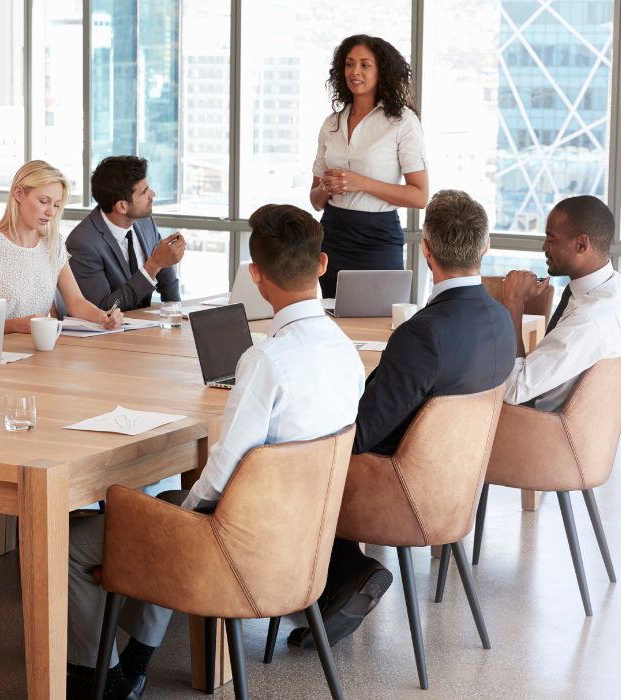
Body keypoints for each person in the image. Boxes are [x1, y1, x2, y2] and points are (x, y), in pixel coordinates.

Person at [66, 204, 364, 698]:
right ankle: (133, 665)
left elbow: (225, 468)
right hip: (306, 540)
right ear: (323, 264)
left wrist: (182, 516)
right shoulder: (345, 351)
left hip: (239, 547)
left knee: (76, 539)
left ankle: (100, 680)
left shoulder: (267, 359)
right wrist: (179, 511)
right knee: (167, 507)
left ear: (256, 276)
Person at [289, 190, 516, 650]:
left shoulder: (423, 333)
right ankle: (341, 574)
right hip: (454, 486)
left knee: (290, 456)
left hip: (395, 488)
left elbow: (362, 435)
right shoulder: (499, 319)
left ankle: (349, 571)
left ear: (425, 249)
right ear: (486, 246)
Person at [311, 34, 428, 298]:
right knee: (333, 314)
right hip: (332, 236)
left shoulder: (402, 122)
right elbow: (315, 201)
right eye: (349, 64)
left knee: (381, 317)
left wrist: (359, 182)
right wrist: (328, 186)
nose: (355, 71)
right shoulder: (331, 123)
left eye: (365, 65)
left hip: (379, 239)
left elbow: (419, 196)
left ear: (381, 71)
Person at [0, 160, 123, 333]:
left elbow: (76, 303)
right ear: (19, 194)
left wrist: (104, 317)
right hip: (0, 349)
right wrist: (15, 325)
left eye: (56, 205)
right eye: (44, 201)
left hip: (43, 346)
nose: (51, 212)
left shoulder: (54, 245)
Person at [501, 195, 621, 411]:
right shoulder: (612, 288)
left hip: (534, 422)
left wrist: (514, 303)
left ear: (582, 244)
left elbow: (513, 390)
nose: (544, 247)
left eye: (551, 239)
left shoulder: (587, 321)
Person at [66, 156, 185, 311]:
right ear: (122, 206)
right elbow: (104, 308)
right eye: (144, 192)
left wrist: (177, 314)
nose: (153, 194)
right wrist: (153, 265)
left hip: (146, 324)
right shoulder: (82, 243)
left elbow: (165, 274)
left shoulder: (144, 220)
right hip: (110, 326)